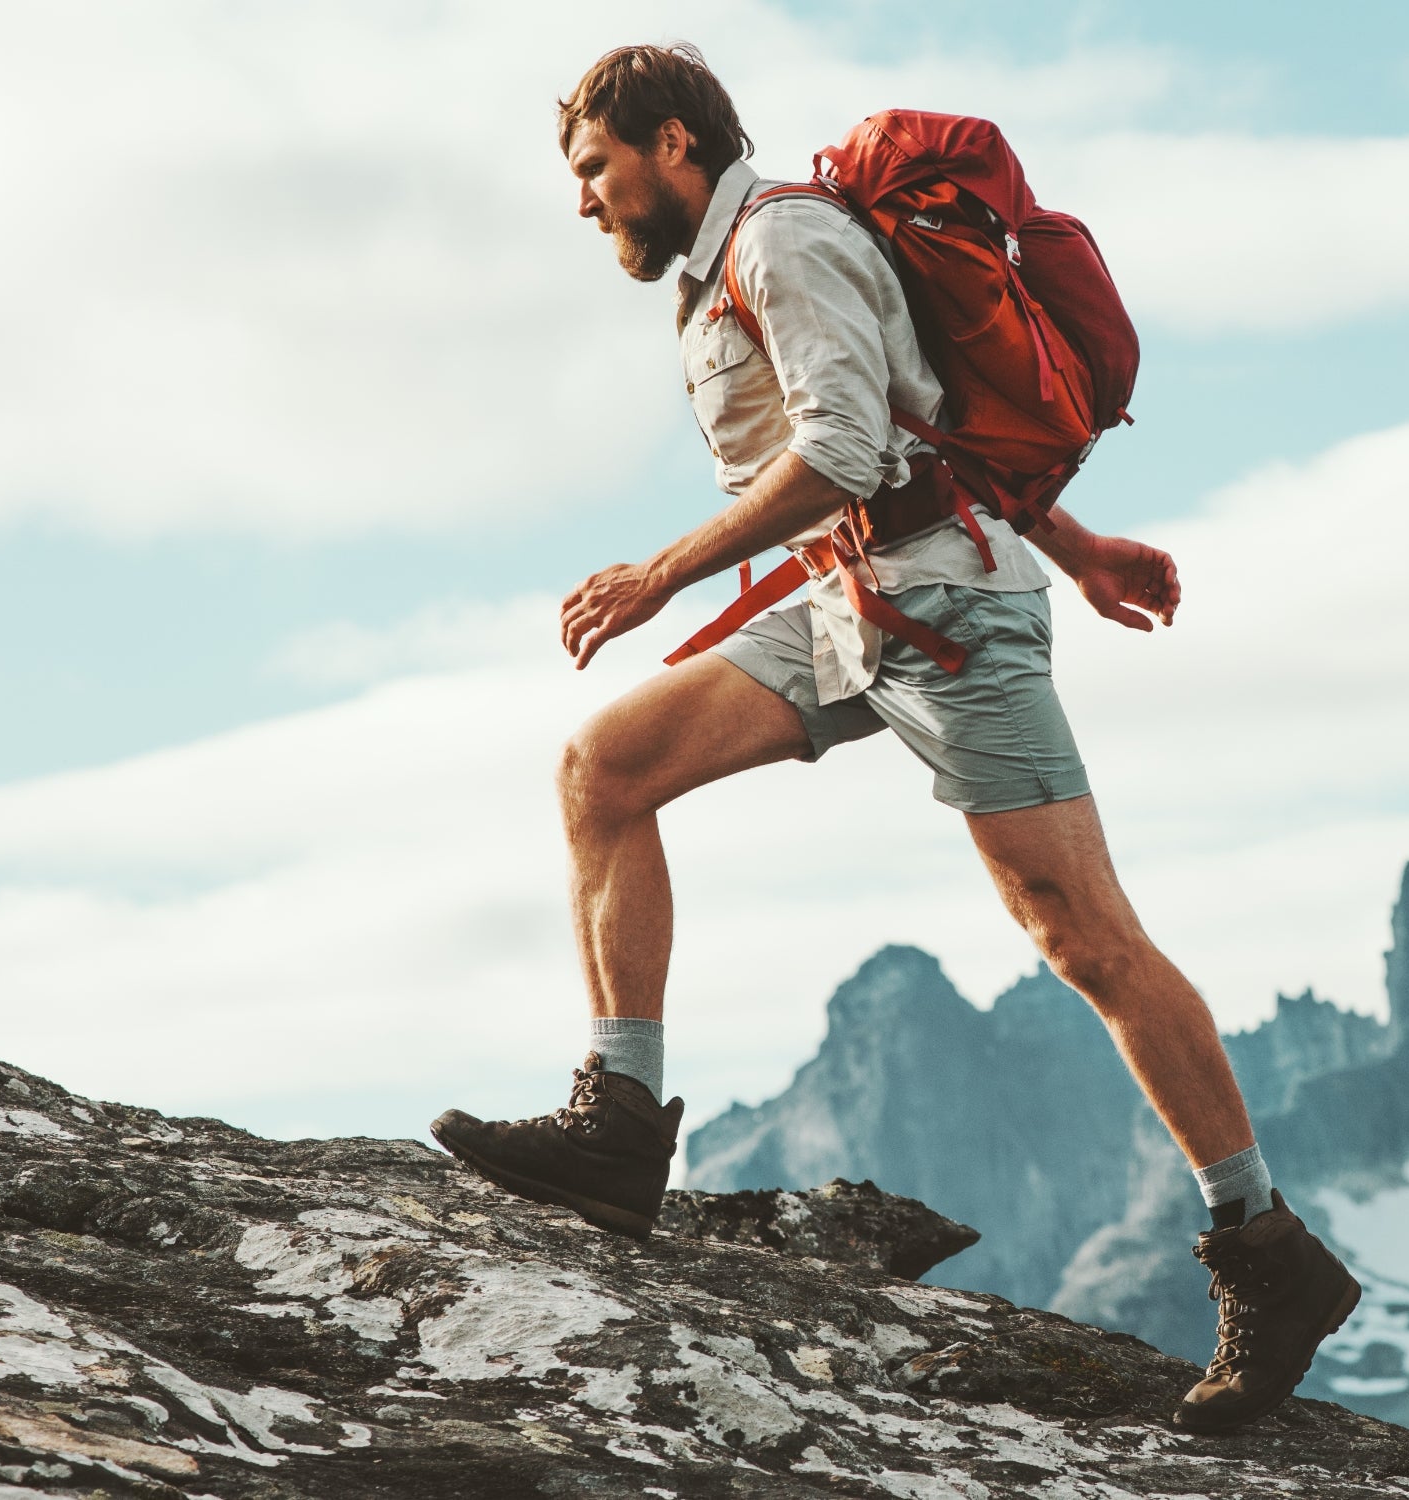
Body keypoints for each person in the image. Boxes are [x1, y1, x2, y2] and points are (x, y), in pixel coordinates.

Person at [431, 43, 1359, 1432]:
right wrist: (1089, 544)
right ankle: (623, 1127)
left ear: (673, 142)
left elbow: (852, 450)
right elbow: (930, 420)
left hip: (951, 610)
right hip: (851, 606)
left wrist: (659, 576)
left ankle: (1267, 1251)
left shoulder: (783, 238)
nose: (584, 202)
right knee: (603, 770)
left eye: (593, 169)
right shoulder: (742, 255)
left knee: (1082, 935)